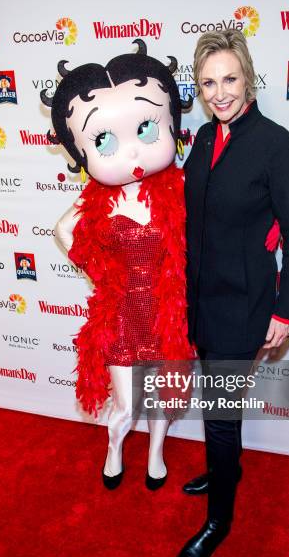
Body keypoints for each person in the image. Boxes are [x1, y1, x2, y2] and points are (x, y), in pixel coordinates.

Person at [174, 30, 289, 557]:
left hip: (246, 305)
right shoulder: (205, 138)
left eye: (229, 79)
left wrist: (285, 309)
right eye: (208, 82)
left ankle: (218, 520)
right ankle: (224, 465)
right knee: (218, 408)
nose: (219, 92)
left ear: (247, 77)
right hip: (201, 300)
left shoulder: (274, 143)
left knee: (220, 415)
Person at [41, 39, 194, 492]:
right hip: (123, 316)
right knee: (126, 406)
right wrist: (99, 275)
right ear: (80, 150)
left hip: (169, 315)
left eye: (146, 129)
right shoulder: (97, 202)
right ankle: (114, 448)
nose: (131, 153)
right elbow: (62, 230)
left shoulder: (181, 188)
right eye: (104, 139)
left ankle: (156, 454)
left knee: (165, 398)